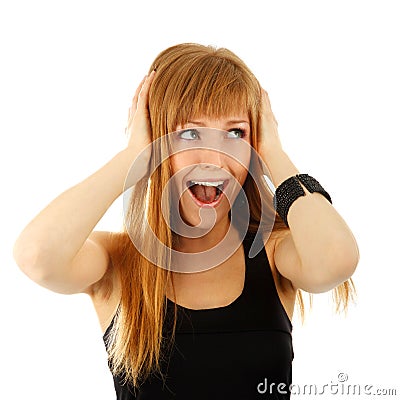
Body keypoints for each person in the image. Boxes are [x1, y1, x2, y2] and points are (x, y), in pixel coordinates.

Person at [13, 43, 359, 399]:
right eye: (190, 133)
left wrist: (275, 152)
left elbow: (337, 257)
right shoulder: (117, 262)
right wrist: (132, 157)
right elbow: (37, 255)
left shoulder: (273, 254)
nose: (215, 157)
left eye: (235, 133)